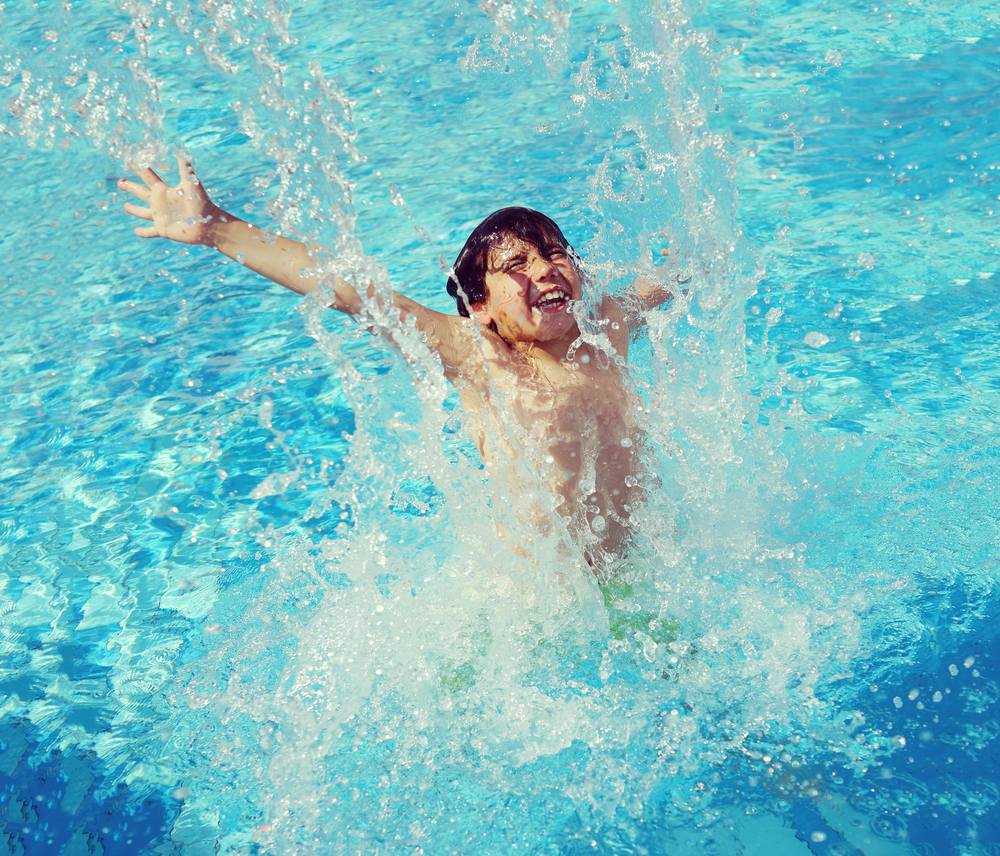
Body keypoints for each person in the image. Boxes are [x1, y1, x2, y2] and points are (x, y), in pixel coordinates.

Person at [118, 155, 682, 573]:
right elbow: (355, 292)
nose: (545, 270)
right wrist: (218, 229)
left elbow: (672, 275)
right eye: (517, 263)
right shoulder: (482, 356)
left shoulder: (605, 326)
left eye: (555, 253)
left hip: (634, 569)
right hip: (543, 600)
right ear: (480, 307)